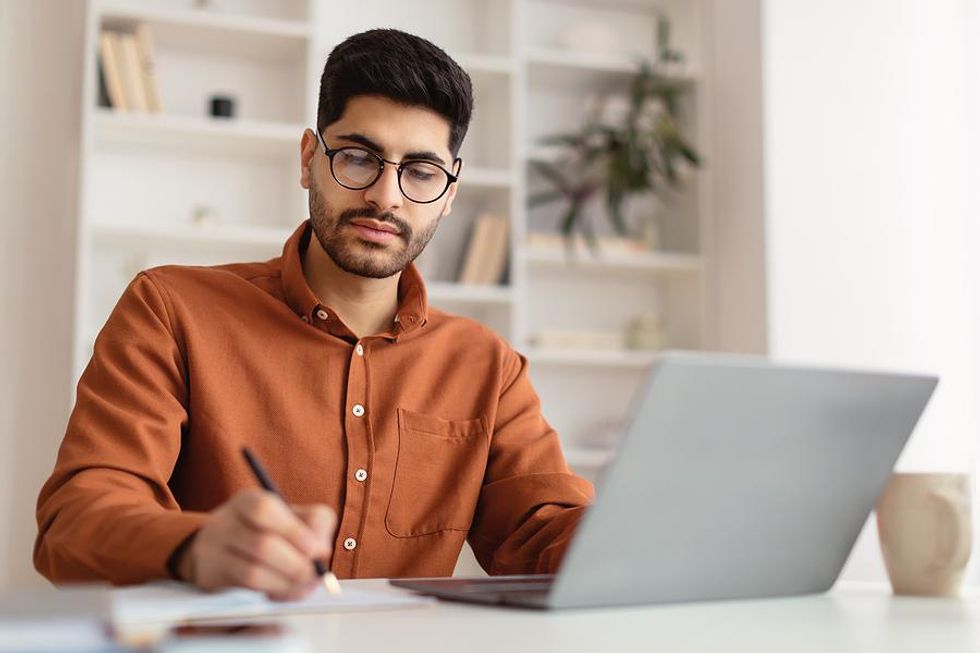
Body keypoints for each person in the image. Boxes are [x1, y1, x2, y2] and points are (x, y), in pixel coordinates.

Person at [35, 28, 593, 601]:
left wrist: (639, 534)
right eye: (357, 158)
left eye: (421, 171)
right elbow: (74, 523)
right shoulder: (171, 310)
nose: (385, 196)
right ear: (309, 159)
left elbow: (542, 531)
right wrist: (194, 546)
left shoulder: (488, 366)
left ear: (449, 193)